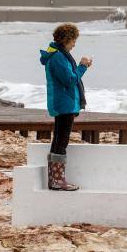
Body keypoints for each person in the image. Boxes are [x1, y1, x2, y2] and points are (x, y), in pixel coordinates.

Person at [39, 23, 93, 190]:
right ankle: (57, 180)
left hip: (64, 103)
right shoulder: (58, 58)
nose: (74, 44)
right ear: (66, 40)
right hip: (64, 104)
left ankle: (55, 179)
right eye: (73, 41)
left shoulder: (58, 55)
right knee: (61, 141)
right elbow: (69, 80)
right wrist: (82, 66)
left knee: (58, 140)